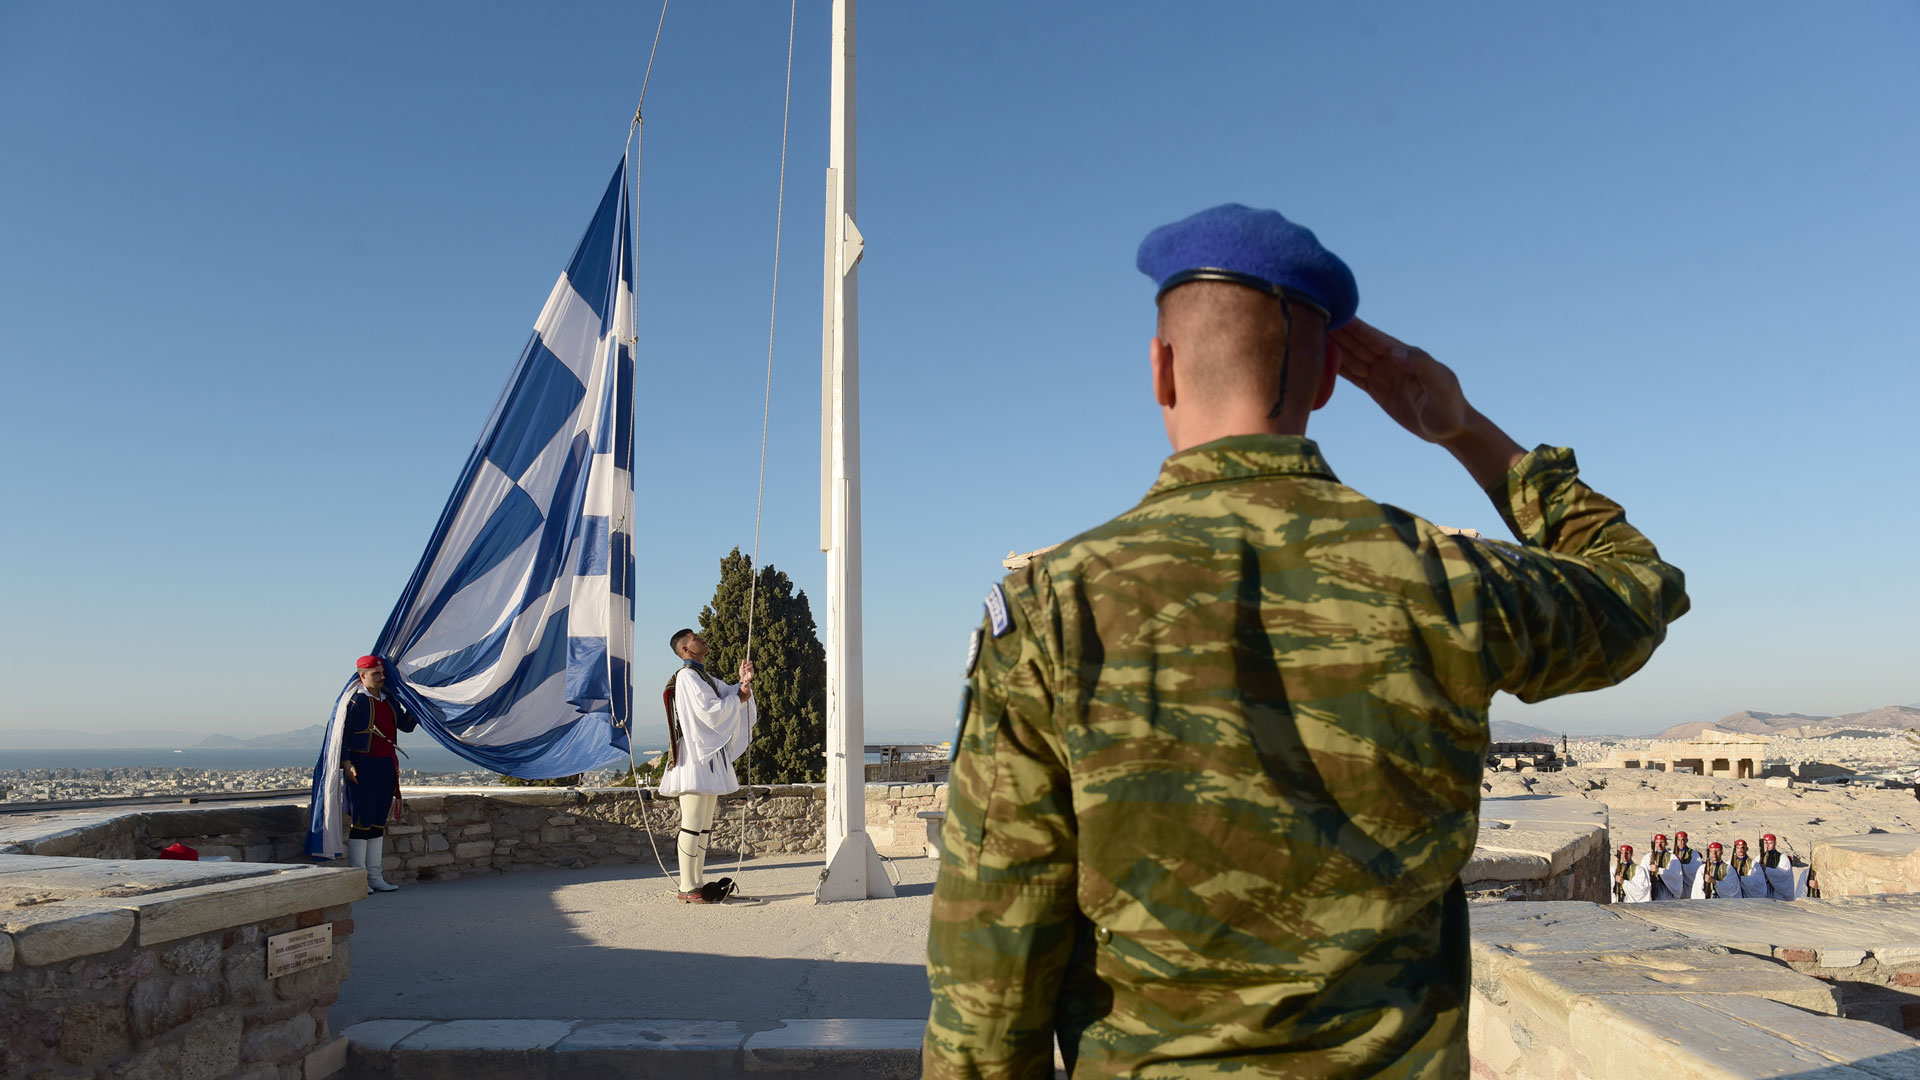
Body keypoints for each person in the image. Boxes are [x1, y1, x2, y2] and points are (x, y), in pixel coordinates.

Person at [923, 203, 1690, 1078]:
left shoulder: (1055, 610)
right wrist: (1467, 431)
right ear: (1327, 378)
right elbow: (1637, 588)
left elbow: (990, 987)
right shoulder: (1446, 580)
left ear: (1162, 369)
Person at [659, 628, 755, 904]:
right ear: (685, 650)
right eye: (693, 637)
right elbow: (709, 710)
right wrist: (738, 698)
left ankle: (697, 883)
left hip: (708, 756)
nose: (700, 637)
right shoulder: (687, 676)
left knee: (703, 825)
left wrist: (742, 683)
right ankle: (687, 886)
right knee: (692, 822)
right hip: (694, 756)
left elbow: (729, 694)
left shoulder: (704, 677)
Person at [340, 655, 417, 892]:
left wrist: (419, 703)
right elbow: (341, 734)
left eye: (382, 672)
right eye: (376, 673)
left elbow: (406, 725)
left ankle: (374, 877)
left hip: (386, 765)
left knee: (377, 821)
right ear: (362, 676)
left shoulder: (389, 700)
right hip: (362, 766)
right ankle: (358, 879)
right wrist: (346, 763)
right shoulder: (355, 702)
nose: (382, 677)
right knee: (361, 821)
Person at [1758, 833, 1811, 899]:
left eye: (1770, 843)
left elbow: (1784, 874)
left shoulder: (1783, 858)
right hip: (1763, 892)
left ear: (1775, 843)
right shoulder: (1758, 858)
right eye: (1766, 843)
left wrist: (1767, 870)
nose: (1767, 845)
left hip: (1777, 894)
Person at [1661, 830, 1703, 899]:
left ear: (1687, 840)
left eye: (1683, 839)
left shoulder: (1694, 853)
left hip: (1687, 885)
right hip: (1674, 884)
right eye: (1679, 840)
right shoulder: (1670, 854)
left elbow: (1697, 868)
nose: (1681, 842)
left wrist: (1682, 866)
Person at [1642, 833, 1678, 900]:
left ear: (1666, 843)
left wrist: (1659, 870)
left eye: (1662, 842)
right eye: (1657, 842)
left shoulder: (1672, 857)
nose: (1659, 845)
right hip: (1651, 888)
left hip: (1666, 888)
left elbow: (1675, 874)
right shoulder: (1647, 857)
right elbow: (1643, 874)